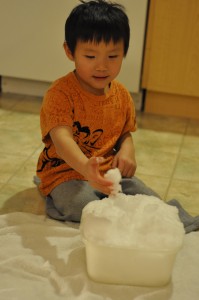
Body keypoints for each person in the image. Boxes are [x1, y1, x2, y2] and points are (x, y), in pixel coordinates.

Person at [36, 0, 199, 233]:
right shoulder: (60, 93)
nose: (102, 66)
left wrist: (127, 151)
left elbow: (124, 132)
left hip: (108, 173)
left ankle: (182, 221)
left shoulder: (121, 94)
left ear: (124, 53)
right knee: (80, 205)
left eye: (112, 56)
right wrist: (86, 168)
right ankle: (49, 190)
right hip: (64, 173)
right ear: (69, 51)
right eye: (90, 56)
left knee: (148, 199)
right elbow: (62, 142)